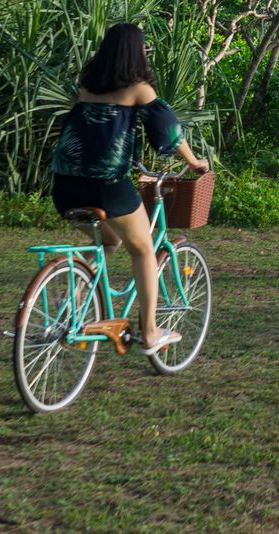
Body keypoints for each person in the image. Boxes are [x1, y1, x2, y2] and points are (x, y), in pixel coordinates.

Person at [49, 22, 210, 355]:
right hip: (106, 186)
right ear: (137, 52)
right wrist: (194, 163)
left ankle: (76, 292)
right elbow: (169, 133)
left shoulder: (86, 88)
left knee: (110, 239)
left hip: (64, 186)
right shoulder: (138, 89)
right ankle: (150, 333)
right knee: (144, 250)